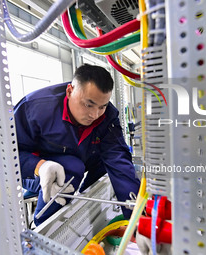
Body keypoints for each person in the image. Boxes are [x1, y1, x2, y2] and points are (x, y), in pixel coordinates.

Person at [14, 64, 141, 226]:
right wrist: (40, 166)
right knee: (70, 169)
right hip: (33, 171)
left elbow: (119, 159)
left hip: (76, 163)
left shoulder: (107, 116)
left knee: (107, 159)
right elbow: (6, 154)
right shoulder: (35, 109)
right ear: (69, 91)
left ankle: (85, 202)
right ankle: (41, 226)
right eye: (88, 105)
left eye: (102, 106)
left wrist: (136, 216)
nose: (94, 115)